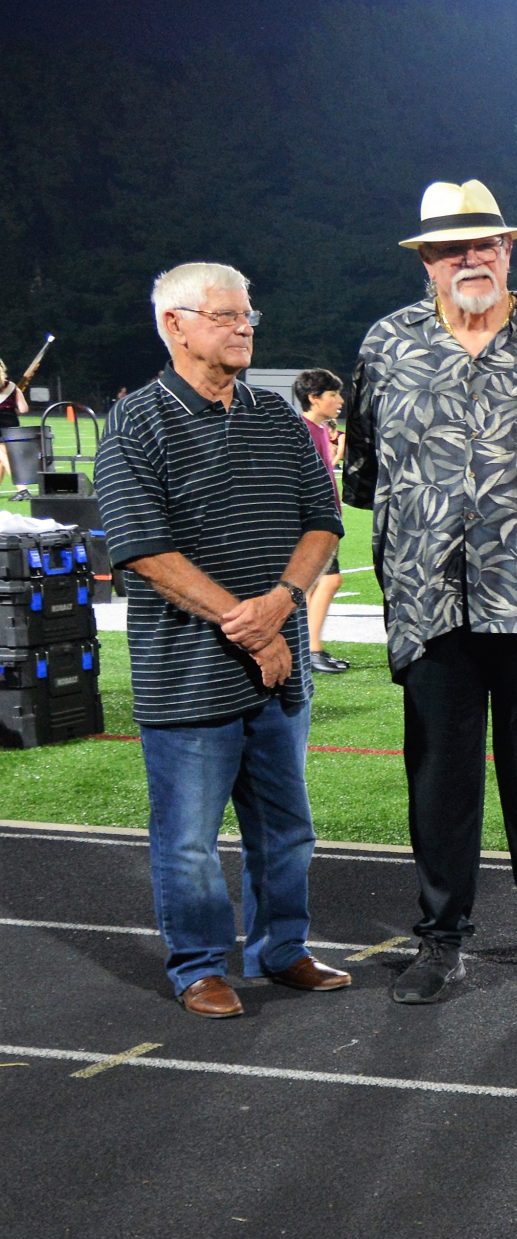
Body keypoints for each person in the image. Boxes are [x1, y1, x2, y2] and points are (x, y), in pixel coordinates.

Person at [342, 178, 517, 1005]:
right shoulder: (385, 344)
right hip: (429, 604)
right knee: (439, 783)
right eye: (452, 247)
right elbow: (363, 471)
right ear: (426, 261)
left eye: (484, 243)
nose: (471, 257)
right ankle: (440, 940)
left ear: (509, 249)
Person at [94, 262, 349, 1017]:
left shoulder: (275, 415)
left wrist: (281, 603)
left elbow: (323, 521)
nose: (244, 327)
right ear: (174, 324)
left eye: (248, 315)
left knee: (286, 829)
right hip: (191, 675)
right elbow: (143, 549)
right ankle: (199, 964)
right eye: (226, 315)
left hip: (278, 669)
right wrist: (251, 626)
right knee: (189, 842)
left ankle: (283, 948)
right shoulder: (136, 422)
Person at [290, 368, 349, 675]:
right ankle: (311, 650)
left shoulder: (321, 428)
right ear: (313, 398)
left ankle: (306, 649)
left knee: (315, 585)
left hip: (325, 516)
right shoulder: (301, 430)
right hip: (313, 521)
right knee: (328, 580)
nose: (340, 400)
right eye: (332, 395)